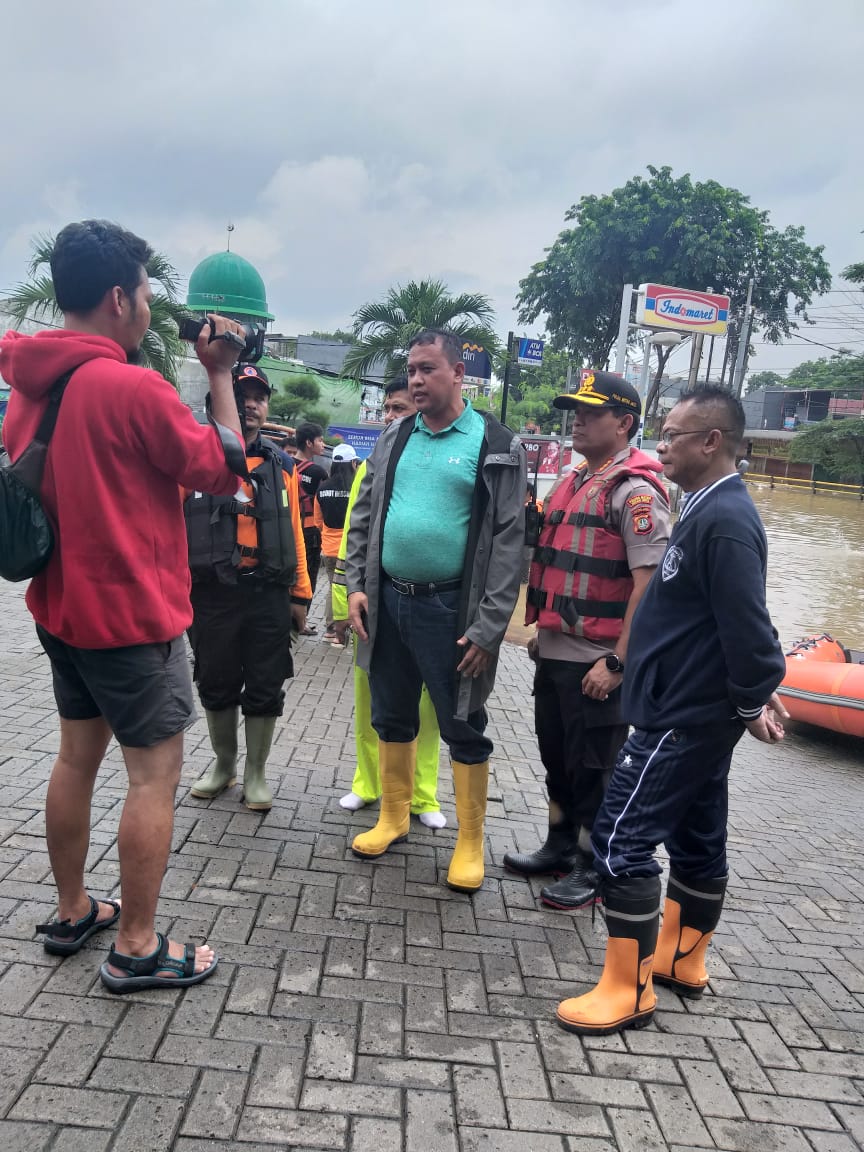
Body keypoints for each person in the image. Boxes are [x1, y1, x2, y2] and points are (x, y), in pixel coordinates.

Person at [0, 220, 246, 992]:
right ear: (118, 297)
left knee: (75, 757)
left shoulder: (29, 384)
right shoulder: (132, 387)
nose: (146, 306)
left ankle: (74, 909)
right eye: (144, 292)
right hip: (133, 620)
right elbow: (223, 470)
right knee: (154, 777)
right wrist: (220, 376)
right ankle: (137, 945)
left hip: (59, 609)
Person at [556, 385, 788, 1037]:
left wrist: (751, 694)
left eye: (674, 434)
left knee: (621, 838)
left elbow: (746, 622)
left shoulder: (727, 519)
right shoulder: (705, 507)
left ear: (711, 441)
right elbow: (718, 615)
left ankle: (625, 990)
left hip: (683, 714)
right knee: (695, 833)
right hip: (689, 704)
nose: (661, 445)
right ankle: (682, 961)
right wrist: (747, 693)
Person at [345, 328, 526, 891]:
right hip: (388, 602)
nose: (416, 380)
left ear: (457, 374)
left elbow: (508, 544)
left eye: (427, 369)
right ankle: (394, 816)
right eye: (411, 370)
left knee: (463, 723)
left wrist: (489, 627)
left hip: (452, 611)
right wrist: (356, 583)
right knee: (390, 713)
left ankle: (470, 841)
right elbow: (365, 514)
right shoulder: (396, 435)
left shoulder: (495, 444)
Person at [505, 371, 671, 911]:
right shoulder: (575, 479)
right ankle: (559, 845)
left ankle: (596, 866)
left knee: (596, 770)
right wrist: (544, 631)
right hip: (556, 655)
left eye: (590, 412)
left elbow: (649, 584)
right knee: (557, 759)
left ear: (624, 424)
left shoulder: (636, 491)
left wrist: (619, 661)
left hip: (600, 665)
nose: (576, 419)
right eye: (574, 409)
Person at [185, 363, 312, 812]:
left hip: (269, 595)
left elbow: (294, 529)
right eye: (241, 394)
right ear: (217, 400)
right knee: (216, 680)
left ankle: (256, 773)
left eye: (259, 397)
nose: (250, 404)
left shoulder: (283, 466)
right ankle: (224, 764)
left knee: (265, 683)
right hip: (212, 593)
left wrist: (301, 595)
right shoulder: (195, 459)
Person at [332, 377, 446, 829]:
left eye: (398, 409)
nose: (389, 417)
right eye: (386, 409)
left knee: (429, 705)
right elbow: (352, 540)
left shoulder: (433, 460)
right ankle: (367, 783)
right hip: (375, 605)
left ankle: (423, 795)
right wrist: (343, 602)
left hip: (430, 603)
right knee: (369, 700)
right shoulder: (372, 462)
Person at [315, 443, 359, 643]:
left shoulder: (322, 488)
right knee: (351, 588)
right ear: (353, 463)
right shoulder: (357, 488)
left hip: (329, 548)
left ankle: (333, 628)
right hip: (351, 549)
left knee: (334, 587)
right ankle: (342, 628)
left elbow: (318, 520)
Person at [293, 422, 329, 626]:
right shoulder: (318, 472)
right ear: (309, 443)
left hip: (288, 529)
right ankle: (302, 621)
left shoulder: (284, 464)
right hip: (309, 532)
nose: (322, 445)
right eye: (320, 440)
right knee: (309, 574)